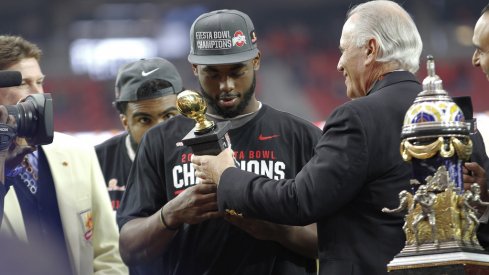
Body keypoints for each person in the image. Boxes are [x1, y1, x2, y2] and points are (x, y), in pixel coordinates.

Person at [192, 2, 423, 274]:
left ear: (371, 50)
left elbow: (299, 201)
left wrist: (226, 174)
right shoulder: (452, 114)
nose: (338, 64)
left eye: (343, 50)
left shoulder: (357, 118)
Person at [117, 9, 321, 275]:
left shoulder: (301, 136)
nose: (225, 85)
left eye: (237, 71)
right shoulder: (160, 140)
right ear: (194, 68)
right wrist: (172, 215)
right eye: (212, 74)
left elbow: (337, 240)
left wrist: (274, 227)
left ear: (256, 60)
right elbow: (129, 249)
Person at [0, 35, 128, 275]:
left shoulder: (77, 152)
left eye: (39, 82)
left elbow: (109, 253)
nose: (37, 93)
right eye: (23, 83)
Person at [96, 57, 183, 211]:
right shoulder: (96, 164)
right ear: (125, 122)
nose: (159, 131)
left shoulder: (206, 157)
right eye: (144, 120)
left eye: (169, 116)